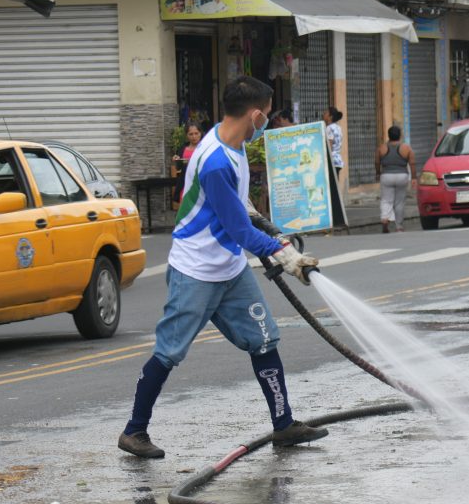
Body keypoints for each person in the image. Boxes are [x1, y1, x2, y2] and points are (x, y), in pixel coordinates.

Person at [118, 76, 325, 460]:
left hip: (229, 269)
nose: (267, 122)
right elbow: (237, 229)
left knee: (264, 338)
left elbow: (239, 205)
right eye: (267, 114)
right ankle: (134, 431)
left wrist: (269, 228)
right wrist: (286, 257)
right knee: (170, 352)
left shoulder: (231, 144)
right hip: (195, 271)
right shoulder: (214, 160)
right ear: (256, 113)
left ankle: (284, 425)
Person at [375, 126, 416, 233]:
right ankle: (399, 227)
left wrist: (378, 173)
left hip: (386, 176)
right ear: (400, 135)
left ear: (389, 135)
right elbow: (412, 163)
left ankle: (384, 218)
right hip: (402, 176)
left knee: (386, 200)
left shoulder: (382, 148)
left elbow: (377, 162)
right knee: (399, 202)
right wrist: (414, 178)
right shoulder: (406, 148)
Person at [172, 123, 204, 208]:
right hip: (185, 185)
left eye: (196, 133)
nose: (194, 136)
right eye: (191, 134)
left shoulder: (205, 148)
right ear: (186, 135)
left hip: (201, 185)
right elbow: (178, 167)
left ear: (200, 133)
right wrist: (177, 160)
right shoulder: (183, 149)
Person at [323, 106, 344, 179]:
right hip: (338, 161)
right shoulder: (338, 127)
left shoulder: (329, 128)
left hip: (331, 161)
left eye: (326, 113)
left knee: (332, 186)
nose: (324, 114)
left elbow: (329, 146)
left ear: (330, 117)